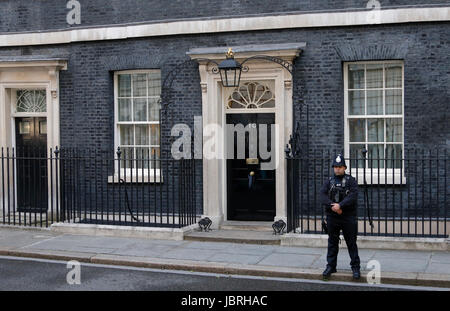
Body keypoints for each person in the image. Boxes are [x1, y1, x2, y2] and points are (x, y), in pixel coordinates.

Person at [320, 154, 361, 280]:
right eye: (335, 166)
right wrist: (333, 206)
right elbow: (322, 195)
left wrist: (340, 206)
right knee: (332, 242)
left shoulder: (350, 181)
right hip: (333, 216)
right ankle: (331, 266)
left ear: (345, 167)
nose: (337, 169)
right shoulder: (329, 181)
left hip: (348, 216)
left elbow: (353, 195)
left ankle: (355, 267)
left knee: (351, 243)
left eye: (340, 166)